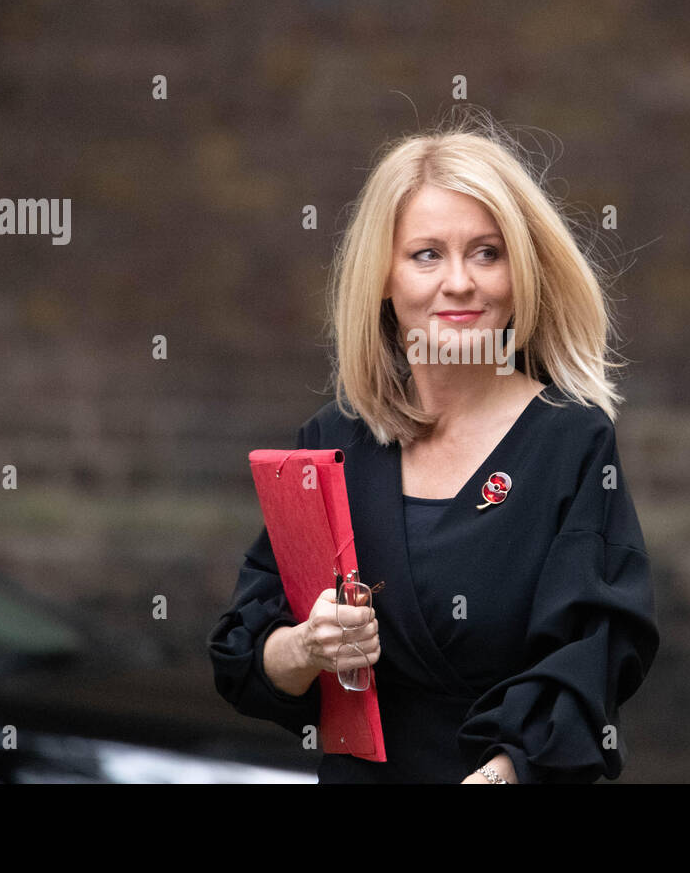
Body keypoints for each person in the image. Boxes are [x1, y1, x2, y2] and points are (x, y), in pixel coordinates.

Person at [207, 109, 660, 783]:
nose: (459, 282)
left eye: (487, 251)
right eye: (427, 254)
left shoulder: (571, 442)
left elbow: (592, 656)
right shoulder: (334, 442)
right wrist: (308, 645)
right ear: (384, 279)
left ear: (522, 271)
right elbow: (247, 655)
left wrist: (506, 769)